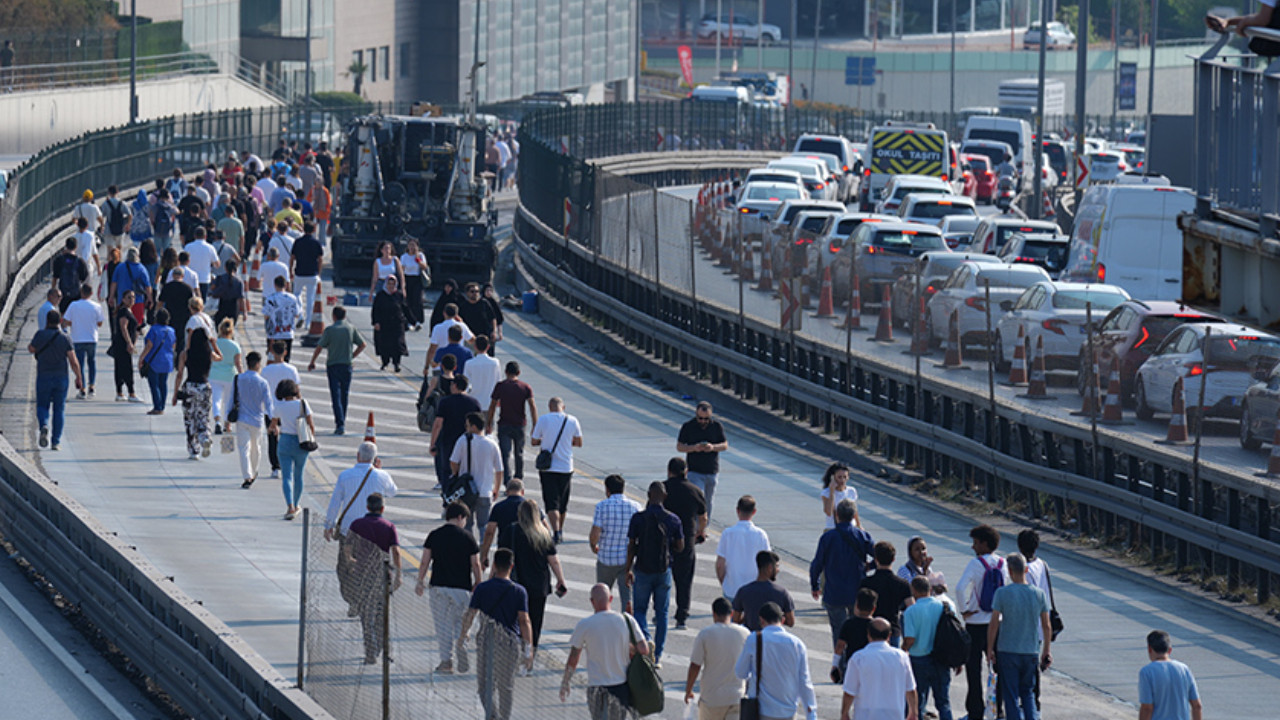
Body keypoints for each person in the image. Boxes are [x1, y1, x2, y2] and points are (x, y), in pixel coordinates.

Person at [461, 547, 533, 718]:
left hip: (486, 640)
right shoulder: (519, 591)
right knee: (506, 687)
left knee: (485, 686)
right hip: (509, 643)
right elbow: (524, 621)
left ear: (494, 565)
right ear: (511, 566)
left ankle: (493, 716)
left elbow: (470, 614)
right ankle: (504, 717)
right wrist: (528, 649)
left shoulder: (482, 588)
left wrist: (463, 634)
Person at [559, 583, 650, 718]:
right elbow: (644, 649)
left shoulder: (585, 625)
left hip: (597, 687)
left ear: (592, 601)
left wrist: (566, 682)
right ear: (611, 599)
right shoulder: (626, 619)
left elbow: (573, 657)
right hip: (621, 686)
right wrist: (629, 648)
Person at [416, 502, 483, 675]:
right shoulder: (468, 537)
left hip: (439, 587)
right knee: (462, 622)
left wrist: (420, 581)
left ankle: (446, 662)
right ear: (460, 517)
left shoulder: (434, 535)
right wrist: (478, 583)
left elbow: (425, 561)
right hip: (462, 588)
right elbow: (475, 563)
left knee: (442, 626)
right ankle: (462, 642)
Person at [624, 481, 684, 667]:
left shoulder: (638, 518)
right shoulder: (673, 519)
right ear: (665, 497)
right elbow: (681, 546)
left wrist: (628, 569)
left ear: (648, 495)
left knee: (640, 610)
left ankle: (646, 637)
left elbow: (632, 546)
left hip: (642, 569)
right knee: (662, 613)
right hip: (663, 570)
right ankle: (657, 656)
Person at [987, 553, 1051, 720]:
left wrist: (989, 648)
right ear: (1026, 569)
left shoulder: (1002, 593)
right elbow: (1046, 625)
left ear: (1009, 571)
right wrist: (1046, 650)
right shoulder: (1039, 594)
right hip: (1030, 650)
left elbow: (994, 623)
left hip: (1007, 650)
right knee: (1028, 692)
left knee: (1011, 694)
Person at [957, 524, 1009, 720]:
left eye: (975, 543)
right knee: (998, 668)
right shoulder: (1003, 563)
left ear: (984, 544)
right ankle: (997, 710)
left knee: (973, 670)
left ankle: (975, 711)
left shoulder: (975, 564)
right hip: (997, 623)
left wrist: (965, 610)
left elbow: (961, 588)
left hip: (976, 623)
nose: (973, 547)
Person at [735, 601, 818, 720]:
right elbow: (804, 682)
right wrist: (811, 714)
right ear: (783, 620)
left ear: (761, 620)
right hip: (788, 711)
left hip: (762, 709)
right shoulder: (797, 644)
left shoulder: (754, 640)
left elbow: (740, 672)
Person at [508, 498, 567, 663]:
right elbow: (553, 560)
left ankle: (517, 652)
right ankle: (530, 656)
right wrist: (560, 579)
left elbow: (503, 557)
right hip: (539, 584)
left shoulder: (512, 531)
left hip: (516, 583)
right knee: (535, 621)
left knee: (516, 620)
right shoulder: (543, 534)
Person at [810, 499, 876, 647]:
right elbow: (880, 556)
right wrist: (869, 567)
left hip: (834, 592)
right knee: (859, 630)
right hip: (857, 591)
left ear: (836, 515)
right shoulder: (863, 536)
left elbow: (817, 564)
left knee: (838, 631)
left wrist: (815, 585)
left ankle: (840, 664)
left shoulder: (827, 538)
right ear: (854, 516)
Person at [840, 618, 918, 720]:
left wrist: (844, 713)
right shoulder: (901, 657)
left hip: (866, 715)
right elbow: (910, 689)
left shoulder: (858, 658)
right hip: (894, 714)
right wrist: (913, 712)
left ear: (868, 634)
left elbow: (849, 691)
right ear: (889, 636)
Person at [685, 597, 749, 719]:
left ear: (714, 614)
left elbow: (695, 665)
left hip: (712, 698)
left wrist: (688, 690)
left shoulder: (705, 634)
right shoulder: (744, 633)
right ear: (731, 614)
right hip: (737, 696)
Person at [530, 396, 583, 544]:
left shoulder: (543, 419)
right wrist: (567, 441)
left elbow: (534, 441)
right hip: (566, 466)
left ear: (549, 407)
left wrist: (545, 440)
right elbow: (579, 442)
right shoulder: (572, 420)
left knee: (551, 500)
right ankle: (560, 529)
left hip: (548, 468)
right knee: (563, 501)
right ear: (563, 407)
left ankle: (556, 531)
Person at [663, 457, 708, 631]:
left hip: (664, 540)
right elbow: (703, 517)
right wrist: (700, 532)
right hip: (686, 541)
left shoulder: (662, 488)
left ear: (669, 471)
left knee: (662, 578)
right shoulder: (695, 490)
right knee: (684, 580)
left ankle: (661, 611)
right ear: (686, 471)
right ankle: (682, 615)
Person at [29, 309, 84, 451]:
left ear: (47, 320)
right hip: (61, 377)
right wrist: (78, 377)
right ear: (60, 321)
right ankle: (56, 442)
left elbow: (31, 349)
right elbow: (73, 360)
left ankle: (44, 425)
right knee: (59, 409)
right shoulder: (65, 338)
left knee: (42, 405)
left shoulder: (40, 335)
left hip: (44, 376)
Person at [308, 306, 366, 435]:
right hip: (347, 365)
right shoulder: (350, 328)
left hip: (333, 366)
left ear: (334, 316)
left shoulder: (330, 330)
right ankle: (342, 421)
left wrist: (313, 361)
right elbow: (362, 344)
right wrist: (352, 356)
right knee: (344, 394)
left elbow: (319, 347)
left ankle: (339, 423)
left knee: (336, 395)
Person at [902, 575, 952, 720]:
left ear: (914, 591)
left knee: (916, 702)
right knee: (943, 702)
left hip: (919, 659)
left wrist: (903, 649)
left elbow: (910, 639)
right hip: (941, 659)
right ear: (930, 589)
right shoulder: (944, 606)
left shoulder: (911, 611)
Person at [590, 474, 641, 615]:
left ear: (607, 489)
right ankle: (628, 627)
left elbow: (595, 532)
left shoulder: (601, 506)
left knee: (602, 596)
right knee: (627, 599)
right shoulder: (636, 506)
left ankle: (602, 622)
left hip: (606, 558)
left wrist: (593, 546)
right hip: (627, 560)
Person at [171, 312, 220, 460]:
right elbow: (221, 357)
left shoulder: (185, 354)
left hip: (190, 386)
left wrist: (175, 393)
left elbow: (179, 374)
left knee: (190, 419)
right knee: (203, 417)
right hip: (205, 387)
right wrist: (213, 343)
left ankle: (194, 450)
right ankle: (205, 437)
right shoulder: (209, 353)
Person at [450, 412, 504, 536]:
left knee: (467, 525)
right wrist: (496, 489)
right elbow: (499, 470)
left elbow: (453, 461)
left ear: (474, 427)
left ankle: (470, 550)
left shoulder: (463, 440)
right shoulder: (492, 444)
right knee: (483, 525)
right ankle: (483, 551)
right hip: (485, 491)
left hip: (466, 491)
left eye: (467, 425)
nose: (466, 428)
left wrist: (457, 474)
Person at [269, 379, 315, 519]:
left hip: (284, 441)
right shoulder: (303, 404)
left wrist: (274, 429)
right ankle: (296, 504)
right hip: (301, 441)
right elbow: (311, 425)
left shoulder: (279, 406)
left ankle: (289, 506)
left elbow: (272, 425)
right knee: (299, 475)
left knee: (286, 477)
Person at [1017, 529, 1053, 709]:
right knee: (1033, 664)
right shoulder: (1043, 565)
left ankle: (1029, 702)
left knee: (1025, 667)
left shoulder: (1024, 570)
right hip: (1041, 622)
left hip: (1027, 624)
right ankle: (1033, 702)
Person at [675, 401, 729, 517]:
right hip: (694, 470)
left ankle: (704, 528)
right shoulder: (688, 426)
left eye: (706, 419)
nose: (703, 421)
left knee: (708, 501)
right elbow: (679, 446)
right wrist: (694, 448)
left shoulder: (716, 426)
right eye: (700, 418)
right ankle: (694, 526)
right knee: (697, 498)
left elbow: (724, 445)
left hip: (711, 470)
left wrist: (712, 447)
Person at [487, 360, 537, 483]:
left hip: (504, 424)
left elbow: (492, 405)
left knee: (505, 454)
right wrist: (535, 425)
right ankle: (518, 478)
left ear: (505, 372)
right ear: (519, 372)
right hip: (520, 424)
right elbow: (532, 406)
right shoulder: (525, 387)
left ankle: (507, 481)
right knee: (519, 453)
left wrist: (489, 423)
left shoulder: (500, 386)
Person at [229, 352, 274, 487]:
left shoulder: (238, 379)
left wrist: (227, 418)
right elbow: (268, 403)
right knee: (256, 448)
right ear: (258, 364)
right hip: (257, 419)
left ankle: (247, 476)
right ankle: (253, 472)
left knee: (243, 448)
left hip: (242, 418)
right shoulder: (263, 382)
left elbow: (231, 399)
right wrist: (273, 420)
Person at [715, 494, 771, 601]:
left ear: (737, 510)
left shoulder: (727, 533)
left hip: (732, 588)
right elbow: (768, 563)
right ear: (754, 512)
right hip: (755, 589)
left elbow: (720, 564)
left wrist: (724, 582)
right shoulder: (761, 534)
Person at [431, 374, 482, 488]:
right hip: (468, 441)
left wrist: (433, 443)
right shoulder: (474, 402)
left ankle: (447, 493)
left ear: (455, 385)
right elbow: (479, 425)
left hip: (448, 440)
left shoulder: (445, 401)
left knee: (446, 469)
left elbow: (438, 424)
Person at [1139, 630, 1202, 720]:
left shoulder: (1147, 672)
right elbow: (1197, 706)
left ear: (1149, 649)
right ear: (1169, 649)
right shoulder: (1184, 669)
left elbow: (1147, 708)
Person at [861, 542, 915, 647]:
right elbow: (912, 609)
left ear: (876, 559)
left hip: (871, 630)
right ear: (893, 559)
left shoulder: (866, 583)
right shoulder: (902, 584)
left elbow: (860, 610)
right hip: (893, 629)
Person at [732, 549, 796, 634]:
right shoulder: (781, 592)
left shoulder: (743, 591)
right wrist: (777, 617)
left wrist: (748, 616)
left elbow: (735, 620)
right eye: (776, 566)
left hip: (751, 638)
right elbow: (791, 622)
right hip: (773, 638)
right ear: (770, 567)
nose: (778, 570)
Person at [259, 341, 298, 478]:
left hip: (270, 409)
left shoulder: (266, 370)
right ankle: (288, 464)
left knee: (272, 439)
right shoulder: (292, 370)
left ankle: (275, 467)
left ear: (272, 352)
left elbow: (262, 390)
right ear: (285, 352)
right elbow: (297, 389)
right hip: (288, 408)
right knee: (288, 436)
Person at [62, 283, 105, 399]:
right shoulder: (96, 306)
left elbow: (65, 320)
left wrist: (73, 324)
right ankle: (92, 386)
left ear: (81, 292)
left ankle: (82, 388)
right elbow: (100, 323)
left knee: (79, 364)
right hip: (92, 338)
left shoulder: (74, 305)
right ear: (91, 293)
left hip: (78, 338)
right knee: (92, 362)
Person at [833, 588, 878, 684]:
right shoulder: (876, 625)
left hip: (853, 663)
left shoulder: (849, 624)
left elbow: (840, 646)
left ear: (856, 606)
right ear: (874, 608)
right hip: (872, 664)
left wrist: (835, 665)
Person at [480, 479, 529, 567]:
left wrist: (484, 554)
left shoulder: (499, 507)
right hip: (526, 548)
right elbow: (544, 528)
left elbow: (490, 532)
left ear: (507, 492)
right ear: (522, 492)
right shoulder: (530, 507)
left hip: (504, 547)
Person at [209, 318, 243, 434]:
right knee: (228, 401)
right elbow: (238, 364)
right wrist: (242, 377)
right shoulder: (235, 346)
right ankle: (227, 425)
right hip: (230, 376)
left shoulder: (214, 344)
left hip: (214, 375)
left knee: (216, 399)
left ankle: (217, 420)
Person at [139, 308, 176, 415]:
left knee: (154, 384)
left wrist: (142, 358)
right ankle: (162, 406)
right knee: (163, 384)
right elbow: (173, 345)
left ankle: (157, 406)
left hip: (154, 361)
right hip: (167, 360)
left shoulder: (153, 330)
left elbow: (149, 345)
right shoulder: (171, 330)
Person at [108, 289, 142, 403]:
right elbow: (123, 327)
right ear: (123, 299)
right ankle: (131, 393)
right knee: (126, 368)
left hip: (123, 344)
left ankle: (120, 392)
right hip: (122, 344)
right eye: (129, 297)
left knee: (121, 367)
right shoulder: (124, 312)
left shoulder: (129, 311)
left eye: (133, 297)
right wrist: (129, 343)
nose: (132, 299)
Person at [371, 274, 410, 372]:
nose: (391, 286)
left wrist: (413, 321)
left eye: (393, 284)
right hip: (384, 324)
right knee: (384, 344)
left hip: (397, 324)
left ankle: (397, 364)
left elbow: (405, 309)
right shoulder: (380, 295)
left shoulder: (399, 295)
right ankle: (385, 362)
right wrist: (376, 322)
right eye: (389, 284)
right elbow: (375, 310)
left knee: (397, 344)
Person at [290, 220, 324, 327]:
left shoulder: (298, 242)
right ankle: (308, 323)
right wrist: (319, 272)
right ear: (314, 230)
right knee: (310, 299)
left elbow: (292, 258)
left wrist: (290, 270)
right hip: (312, 274)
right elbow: (320, 259)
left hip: (299, 272)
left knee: (296, 295)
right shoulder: (316, 243)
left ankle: (300, 314)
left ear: (303, 229)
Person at [110, 247, 152, 326]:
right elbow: (147, 285)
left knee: (123, 325)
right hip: (137, 300)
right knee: (136, 326)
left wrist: (111, 296)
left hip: (122, 301)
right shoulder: (141, 269)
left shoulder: (119, 267)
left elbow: (114, 283)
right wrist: (150, 298)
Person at [425, 302, 474, 370]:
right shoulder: (462, 326)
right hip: (458, 364)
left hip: (441, 364)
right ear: (456, 314)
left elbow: (432, 349)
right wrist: (462, 322)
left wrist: (426, 366)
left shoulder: (438, 328)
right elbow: (472, 340)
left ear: (444, 313)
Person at [158, 268, 194, 355]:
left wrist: (158, 314)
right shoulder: (188, 288)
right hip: (183, 317)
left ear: (173, 275)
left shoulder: (167, 287)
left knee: (169, 338)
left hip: (169, 316)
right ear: (183, 276)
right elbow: (191, 304)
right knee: (181, 340)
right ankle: (179, 360)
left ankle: (169, 355)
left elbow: (160, 302)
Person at [53, 237, 89, 315]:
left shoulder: (59, 260)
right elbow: (84, 278)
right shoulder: (80, 261)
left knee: (63, 316)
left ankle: (63, 327)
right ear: (76, 247)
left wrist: (53, 292)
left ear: (66, 246)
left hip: (63, 293)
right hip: (76, 294)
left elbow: (55, 277)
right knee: (75, 317)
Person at [821, 462, 862, 529]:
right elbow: (828, 512)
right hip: (833, 528)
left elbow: (854, 510)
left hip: (850, 527)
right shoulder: (826, 493)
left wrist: (859, 525)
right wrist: (832, 492)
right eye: (839, 477)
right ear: (833, 477)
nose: (842, 480)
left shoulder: (851, 491)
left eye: (845, 477)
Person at [400, 239, 429, 330]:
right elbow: (401, 268)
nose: (412, 247)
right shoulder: (404, 256)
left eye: (414, 245)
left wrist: (418, 259)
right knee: (408, 300)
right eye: (410, 245)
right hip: (407, 278)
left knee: (417, 299)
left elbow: (424, 266)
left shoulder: (420, 255)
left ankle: (418, 320)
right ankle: (409, 320)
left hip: (417, 279)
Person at [209, 258, 246, 330]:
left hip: (222, 306)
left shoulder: (220, 278)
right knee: (230, 329)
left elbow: (212, 288)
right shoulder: (239, 281)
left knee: (220, 329)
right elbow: (242, 298)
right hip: (234, 308)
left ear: (225, 268)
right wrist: (245, 312)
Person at [466, 335, 501, 407]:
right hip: (490, 402)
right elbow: (498, 382)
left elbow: (466, 384)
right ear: (488, 347)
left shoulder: (469, 363)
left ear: (475, 347)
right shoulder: (495, 362)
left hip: (473, 401)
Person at [184, 228, 220, 298]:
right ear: (205, 236)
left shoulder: (188, 247)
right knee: (202, 302)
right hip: (204, 278)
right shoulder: (210, 248)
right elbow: (217, 264)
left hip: (190, 278)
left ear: (194, 236)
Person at [101, 185, 132, 250]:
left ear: (109, 193)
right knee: (119, 248)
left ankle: (109, 259)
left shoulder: (106, 203)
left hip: (108, 229)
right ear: (117, 192)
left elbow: (101, 215)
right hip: (120, 228)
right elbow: (130, 214)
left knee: (109, 249)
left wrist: (102, 226)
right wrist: (128, 224)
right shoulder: (122, 203)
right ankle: (118, 259)